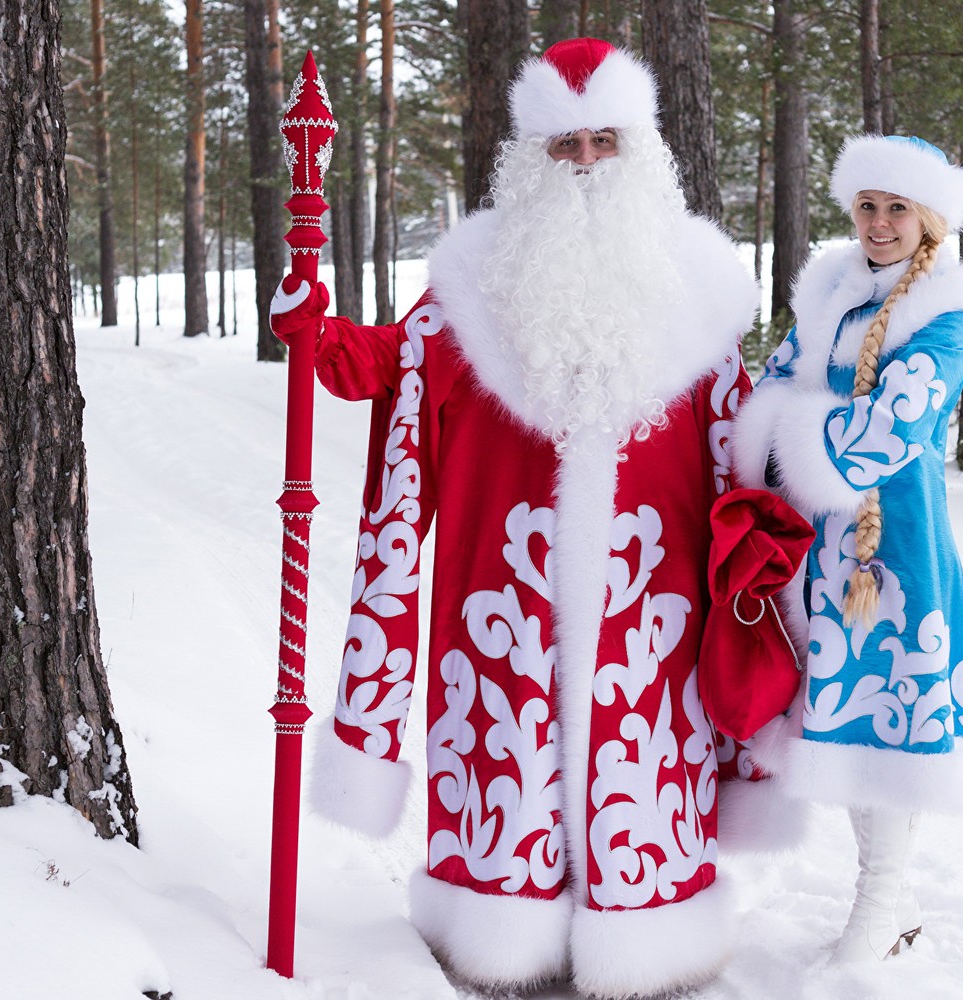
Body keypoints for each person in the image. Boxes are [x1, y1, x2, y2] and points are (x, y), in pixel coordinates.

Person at [270, 38, 762, 998]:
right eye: (563, 145)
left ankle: (645, 931)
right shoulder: (474, 282)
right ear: (530, 157)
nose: (582, 164)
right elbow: (390, 364)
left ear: (638, 150)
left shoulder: (701, 288)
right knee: (512, 761)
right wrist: (316, 332)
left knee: (641, 758)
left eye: (603, 143)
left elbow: (746, 442)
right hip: (504, 606)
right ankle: (506, 929)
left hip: (652, 604)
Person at [732, 134, 963, 963]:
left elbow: (893, 428)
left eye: (897, 209)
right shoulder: (828, 291)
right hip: (817, 548)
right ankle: (897, 894)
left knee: (891, 719)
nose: (880, 224)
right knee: (839, 710)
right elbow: (773, 380)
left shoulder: (948, 312)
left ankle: (880, 898)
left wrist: (793, 438)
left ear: (928, 219)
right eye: (867, 206)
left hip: (895, 550)